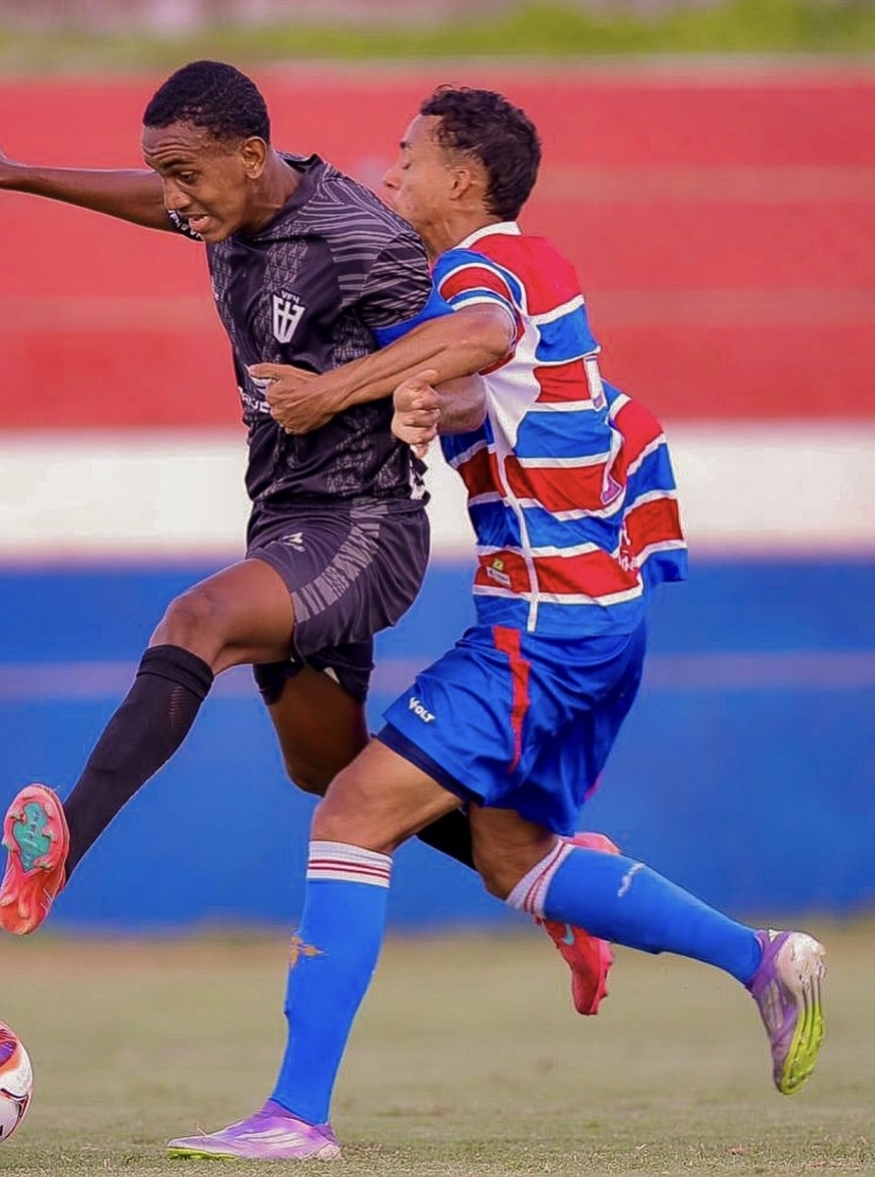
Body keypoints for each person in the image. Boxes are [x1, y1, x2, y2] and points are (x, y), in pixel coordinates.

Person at [164, 86, 827, 1161]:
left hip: (543, 625)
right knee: (508, 849)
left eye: (407, 158)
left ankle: (295, 1116)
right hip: (594, 619)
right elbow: (487, 382)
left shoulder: (483, 270)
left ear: (463, 181)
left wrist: (335, 393)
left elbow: (481, 331)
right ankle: (763, 960)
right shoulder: (526, 266)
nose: (388, 177)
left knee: (347, 815)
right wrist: (426, 398)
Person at [0, 60, 614, 1014]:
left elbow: (475, 346)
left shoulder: (356, 237)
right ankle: (553, 876)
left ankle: (61, 845)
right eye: (164, 175)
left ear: (250, 157)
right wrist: (12, 172)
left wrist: (372, 396)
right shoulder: (223, 206)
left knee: (197, 617)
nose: (174, 199)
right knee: (327, 771)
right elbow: (155, 200)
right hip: (286, 518)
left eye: (187, 175)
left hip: (365, 527)